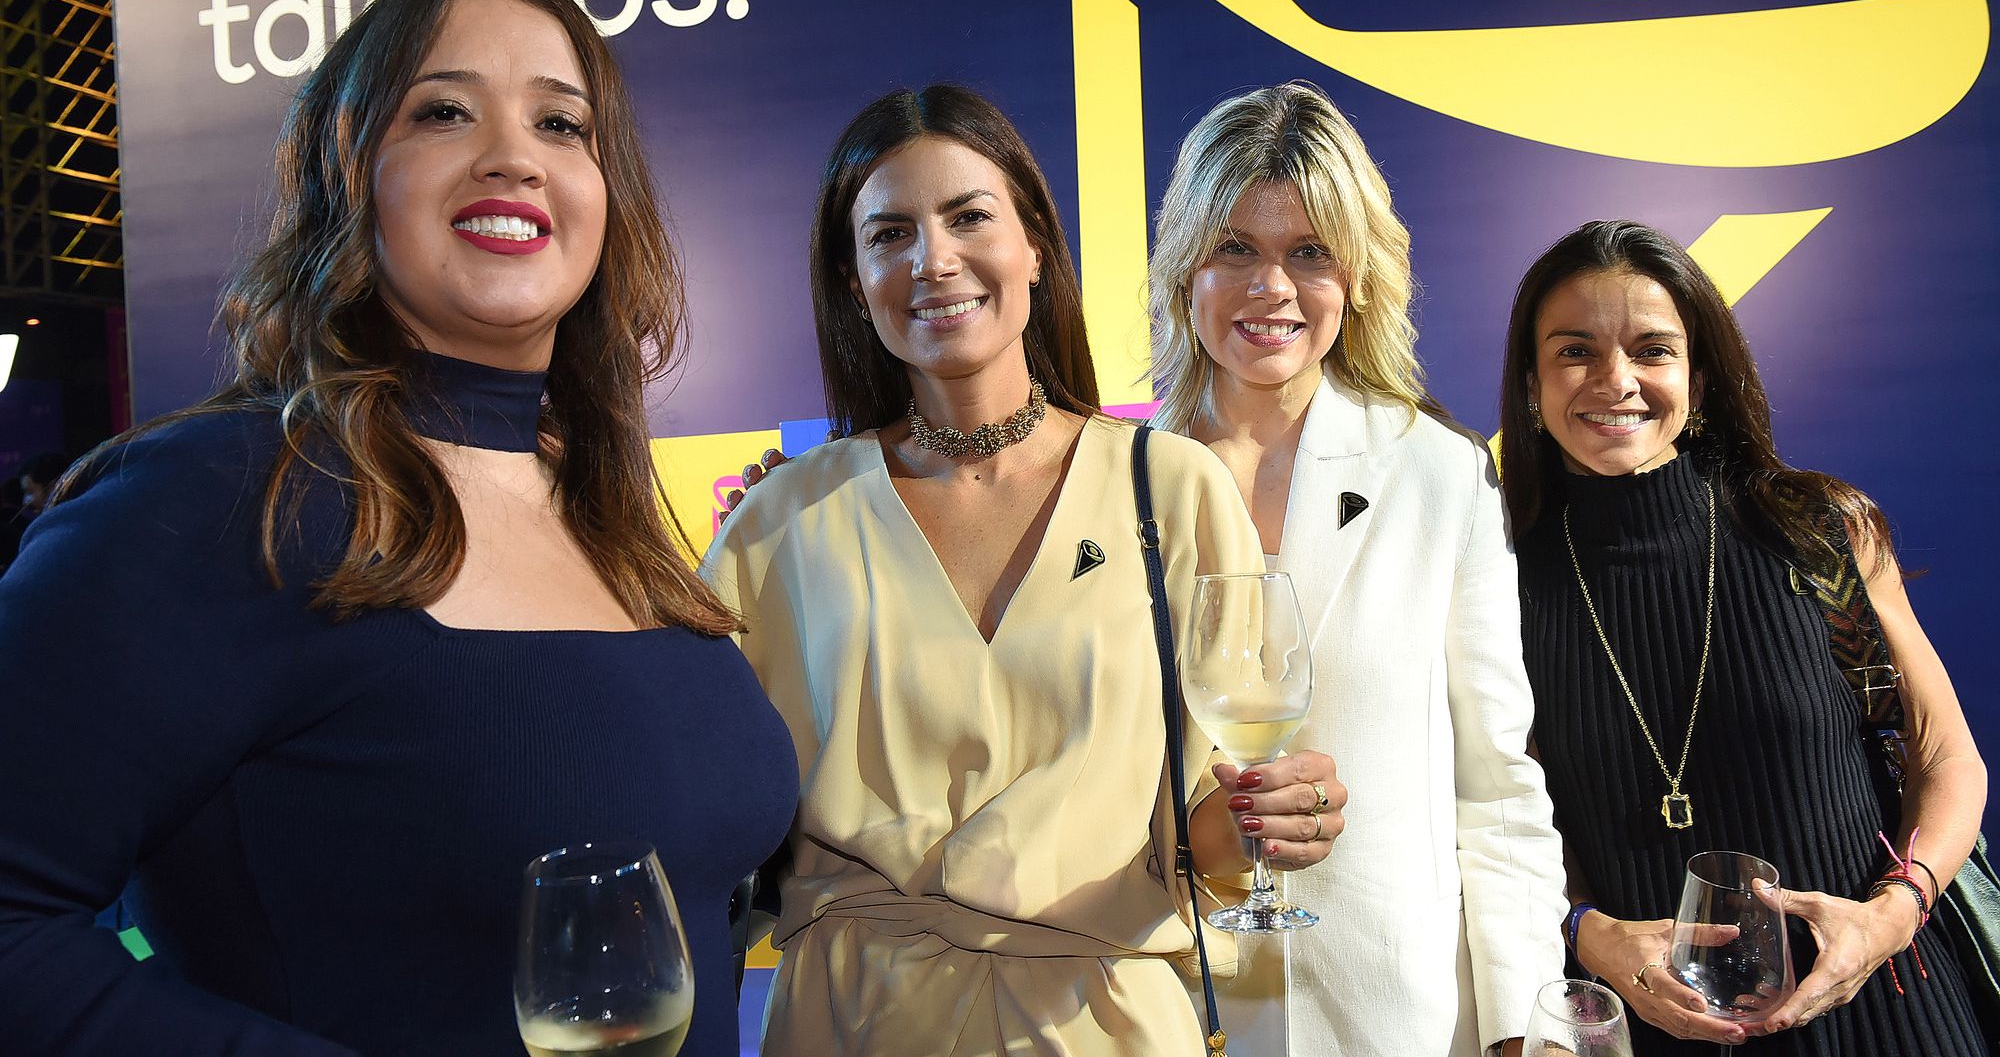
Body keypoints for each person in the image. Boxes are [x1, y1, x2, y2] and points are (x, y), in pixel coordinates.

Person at [0, 0, 795, 1056]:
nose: (514, 155)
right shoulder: (211, 501)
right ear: (348, 173)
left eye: (561, 125)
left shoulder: (602, 506)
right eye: (443, 111)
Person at [703, 84, 1342, 1056]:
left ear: (1035, 244)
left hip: (1108, 1027)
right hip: (852, 1024)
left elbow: (1198, 827)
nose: (933, 259)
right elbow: (709, 826)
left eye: (968, 217)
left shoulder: (1169, 489)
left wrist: (1266, 821)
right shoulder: (777, 523)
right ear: (851, 280)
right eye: (889, 234)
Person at [1144, 82, 1568, 1057]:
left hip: (1391, 1018)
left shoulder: (1438, 473)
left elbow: (1498, 786)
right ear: (1183, 270)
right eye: (1234, 248)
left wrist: (1526, 1028)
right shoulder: (1110, 484)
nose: (1272, 288)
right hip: (1162, 1008)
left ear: (1357, 275)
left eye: (1309, 253)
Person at [1502, 219, 1989, 1054]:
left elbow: (1947, 755)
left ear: (1698, 378)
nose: (1616, 379)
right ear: (1532, 383)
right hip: (1656, 1024)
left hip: (1886, 1008)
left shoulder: (1818, 529)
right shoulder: (1497, 578)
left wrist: (1893, 912)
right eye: (1575, 351)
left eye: (1653, 350)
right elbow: (1508, 815)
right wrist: (1587, 928)